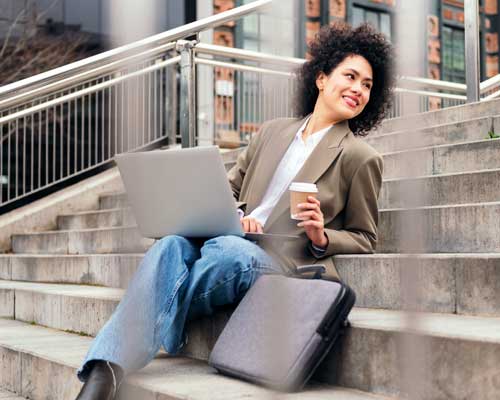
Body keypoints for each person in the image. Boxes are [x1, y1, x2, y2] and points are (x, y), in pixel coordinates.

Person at [75, 22, 394, 400]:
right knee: (170, 246)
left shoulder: (360, 157)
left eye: (367, 84)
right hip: (230, 237)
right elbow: (228, 188)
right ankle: (103, 373)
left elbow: (365, 237)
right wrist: (238, 214)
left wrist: (322, 235)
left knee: (228, 252)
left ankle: (147, 324)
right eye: (350, 76)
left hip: (282, 261)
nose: (358, 89)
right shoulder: (272, 132)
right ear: (322, 79)